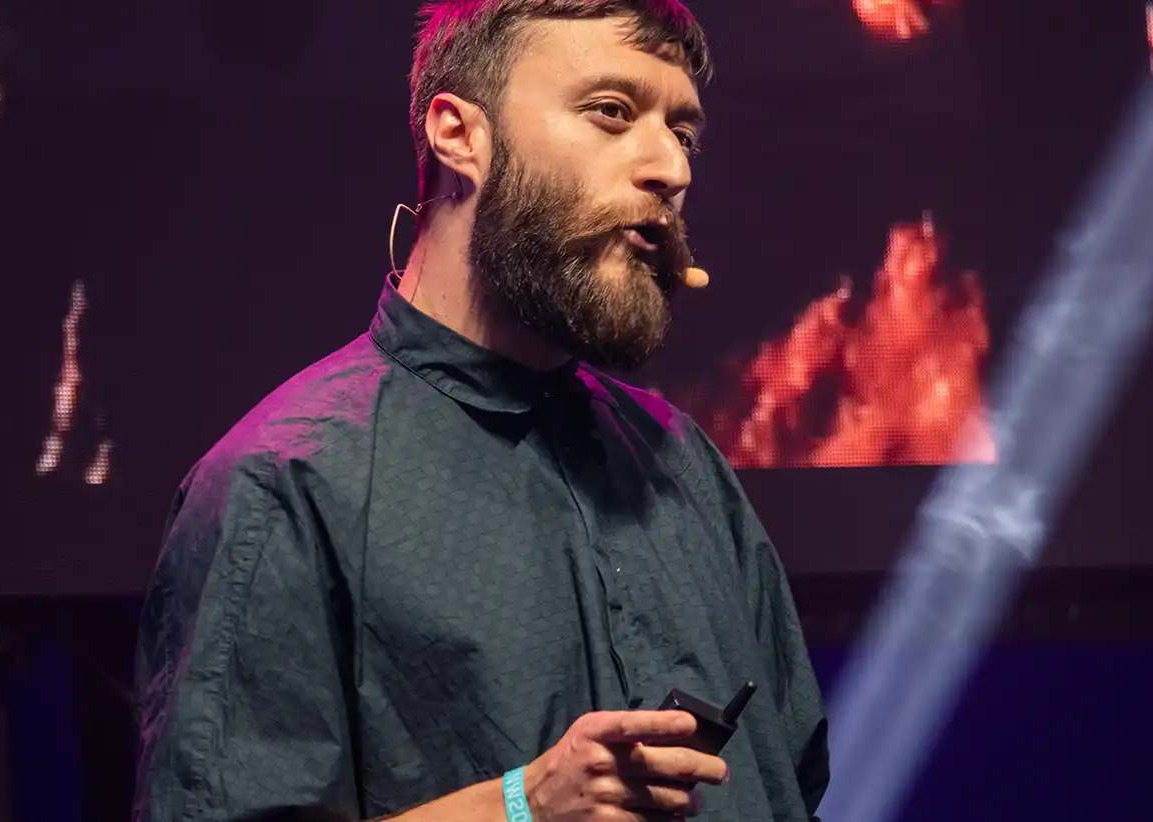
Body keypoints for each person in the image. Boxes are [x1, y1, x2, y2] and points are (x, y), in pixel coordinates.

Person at [134, 2, 829, 820]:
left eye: (683, 132)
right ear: (458, 134)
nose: (670, 167)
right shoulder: (286, 483)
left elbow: (791, 778)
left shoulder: (681, 464)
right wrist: (519, 807)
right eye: (611, 112)